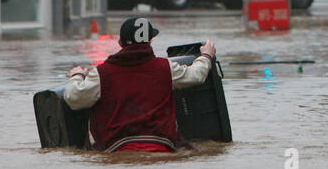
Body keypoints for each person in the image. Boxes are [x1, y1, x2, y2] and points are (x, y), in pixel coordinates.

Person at [63, 17, 216, 152]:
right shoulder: (166, 68)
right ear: (150, 41)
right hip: (161, 148)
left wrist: (77, 75)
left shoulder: (102, 73)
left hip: (115, 150)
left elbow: (73, 98)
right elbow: (197, 75)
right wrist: (206, 55)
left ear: (120, 43)